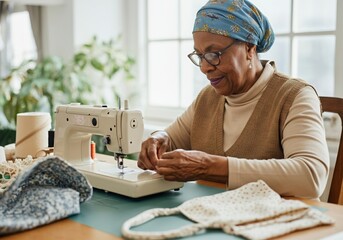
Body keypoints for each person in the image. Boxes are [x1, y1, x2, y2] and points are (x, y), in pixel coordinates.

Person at [138, 0, 329, 199]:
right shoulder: (207, 98)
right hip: (216, 218)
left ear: (249, 48)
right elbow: (171, 140)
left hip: (277, 224)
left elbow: (311, 176)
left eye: (214, 54)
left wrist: (211, 167)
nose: (205, 67)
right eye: (200, 55)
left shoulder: (294, 95)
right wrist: (158, 138)